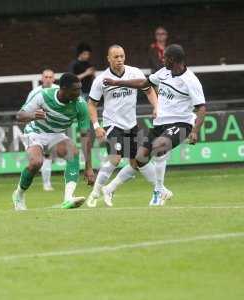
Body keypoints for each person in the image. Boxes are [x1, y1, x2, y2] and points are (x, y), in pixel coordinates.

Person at [103, 44, 206, 205]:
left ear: (173, 59)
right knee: (140, 158)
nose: (162, 59)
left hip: (181, 124)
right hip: (160, 124)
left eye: (165, 57)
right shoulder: (164, 72)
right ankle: (109, 188)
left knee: (159, 146)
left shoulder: (190, 81)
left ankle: (158, 191)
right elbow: (144, 83)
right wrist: (118, 82)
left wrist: (195, 131)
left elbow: (201, 108)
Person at [86, 45, 161, 207]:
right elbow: (91, 104)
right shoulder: (101, 80)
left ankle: (110, 189)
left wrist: (156, 107)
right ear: (108, 59)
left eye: (122, 56)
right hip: (112, 124)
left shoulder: (135, 73)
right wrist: (97, 126)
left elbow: (148, 90)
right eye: (116, 57)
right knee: (115, 158)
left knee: (137, 162)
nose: (119, 60)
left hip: (131, 125)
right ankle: (95, 193)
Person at [12, 73, 95, 211]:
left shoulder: (80, 105)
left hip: (56, 135)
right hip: (35, 132)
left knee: (73, 153)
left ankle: (68, 198)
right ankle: (19, 194)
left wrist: (89, 167)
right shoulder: (43, 95)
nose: (78, 93)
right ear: (63, 89)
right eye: (75, 90)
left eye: (79, 89)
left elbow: (85, 136)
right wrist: (32, 115)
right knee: (36, 163)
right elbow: (19, 115)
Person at [27, 69, 59, 191]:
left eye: (50, 77)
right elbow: (26, 110)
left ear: (54, 79)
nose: (48, 79)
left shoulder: (59, 90)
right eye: (46, 77)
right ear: (42, 78)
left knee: (50, 156)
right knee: (43, 157)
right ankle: (46, 184)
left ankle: (48, 183)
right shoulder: (35, 92)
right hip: (38, 129)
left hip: (54, 128)